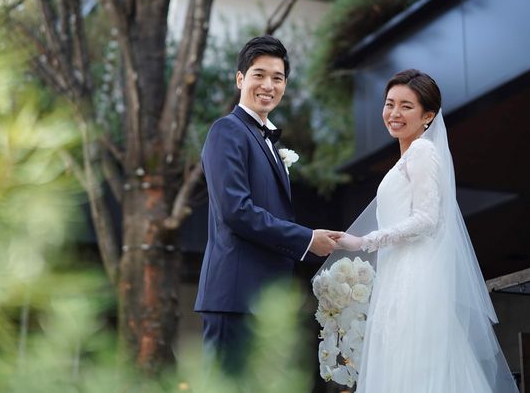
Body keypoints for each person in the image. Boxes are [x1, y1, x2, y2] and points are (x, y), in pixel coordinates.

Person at [334, 69, 518, 393]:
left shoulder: (422, 152)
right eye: (390, 104)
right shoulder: (408, 157)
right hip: (398, 274)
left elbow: (427, 219)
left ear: (428, 116)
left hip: (415, 276)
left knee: (414, 366)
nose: (394, 113)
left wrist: (364, 241)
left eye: (406, 106)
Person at [194, 35, 338, 373]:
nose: (268, 85)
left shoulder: (267, 139)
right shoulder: (227, 131)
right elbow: (236, 211)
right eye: (259, 75)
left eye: (278, 78)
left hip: (264, 302)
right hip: (234, 299)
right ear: (240, 79)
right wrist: (306, 239)